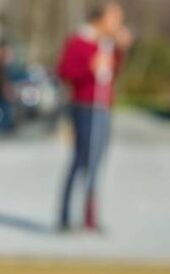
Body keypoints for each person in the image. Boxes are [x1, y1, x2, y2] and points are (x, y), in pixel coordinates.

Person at [56, 0, 133, 232]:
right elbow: (64, 72)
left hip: (103, 106)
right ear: (100, 19)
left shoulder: (108, 45)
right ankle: (65, 216)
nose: (118, 24)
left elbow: (111, 73)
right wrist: (89, 67)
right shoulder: (79, 41)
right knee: (81, 159)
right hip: (84, 106)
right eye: (114, 19)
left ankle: (90, 216)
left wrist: (120, 51)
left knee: (97, 161)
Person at [0, 41, 17, 133]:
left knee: (6, 108)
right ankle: (2, 127)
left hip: (2, 90)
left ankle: (5, 126)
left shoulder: (4, 64)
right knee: (3, 108)